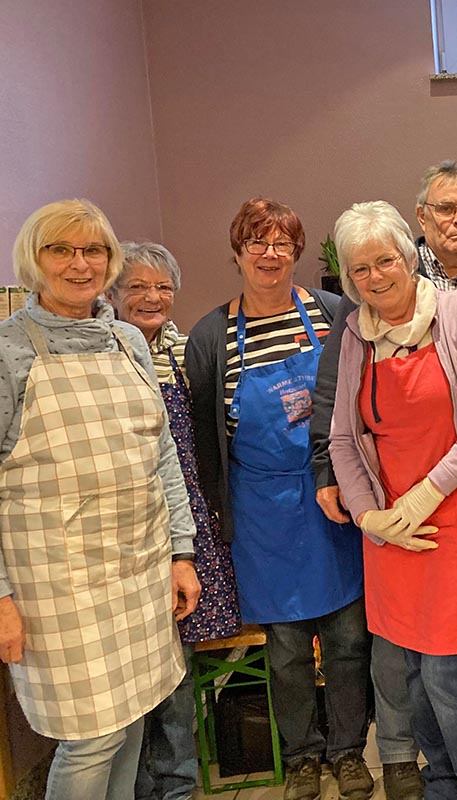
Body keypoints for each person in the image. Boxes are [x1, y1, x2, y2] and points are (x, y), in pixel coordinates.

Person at [307, 161, 457, 798]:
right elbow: (341, 435)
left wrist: (426, 492)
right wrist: (370, 516)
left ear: (406, 254)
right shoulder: (357, 333)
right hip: (394, 531)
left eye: (384, 260)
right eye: (359, 269)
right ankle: (444, 783)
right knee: (412, 674)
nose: (375, 277)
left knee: (450, 675)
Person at [0, 199, 199, 798]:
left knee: (132, 717)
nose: (79, 264)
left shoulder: (126, 342)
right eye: (60, 249)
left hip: (138, 568)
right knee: (89, 740)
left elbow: (161, 453)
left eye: (93, 250)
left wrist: (180, 553)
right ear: (33, 262)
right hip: (55, 587)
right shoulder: (9, 351)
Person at [187, 198, 371, 800]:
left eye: (282, 244)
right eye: (256, 243)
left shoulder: (333, 314)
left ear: (296, 251)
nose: (270, 255)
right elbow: (205, 439)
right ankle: (301, 758)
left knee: (347, 640)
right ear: (237, 253)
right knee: (287, 650)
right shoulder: (212, 335)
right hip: (262, 512)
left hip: (334, 497)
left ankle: (347, 751)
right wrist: (218, 520)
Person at [106, 242, 242, 800]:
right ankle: (139, 785)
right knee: (134, 669)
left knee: (177, 662)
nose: (151, 297)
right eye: (137, 286)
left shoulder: (187, 351)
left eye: (162, 287)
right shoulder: (103, 352)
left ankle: (177, 783)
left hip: (187, 527)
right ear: (113, 293)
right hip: (129, 528)